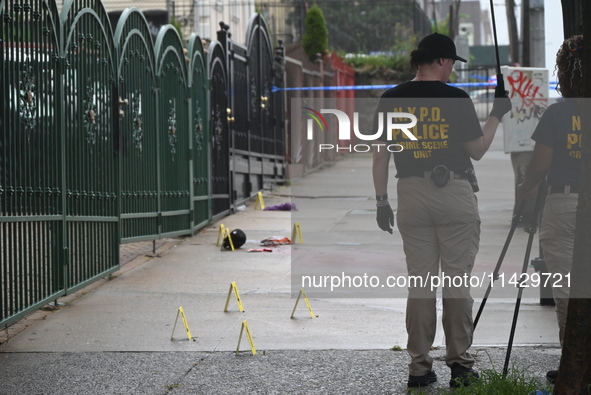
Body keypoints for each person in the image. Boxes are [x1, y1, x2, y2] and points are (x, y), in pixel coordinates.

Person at [371, 33, 511, 388]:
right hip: (454, 193)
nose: (452, 69)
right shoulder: (456, 99)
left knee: (420, 281)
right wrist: (496, 114)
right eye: (451, 63)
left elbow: (381, 155)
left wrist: (382, 201)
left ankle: (419, 366)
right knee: (456, 280)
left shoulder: (392, 98)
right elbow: (477, 150)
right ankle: (460, 366)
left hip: (411, 193)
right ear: (440, 61)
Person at [516, 34, 583, 384]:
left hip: (565, 202)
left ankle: (574, 361)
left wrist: (527, 189)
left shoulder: (557, 113)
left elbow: (540, 163)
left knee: (566, 285)